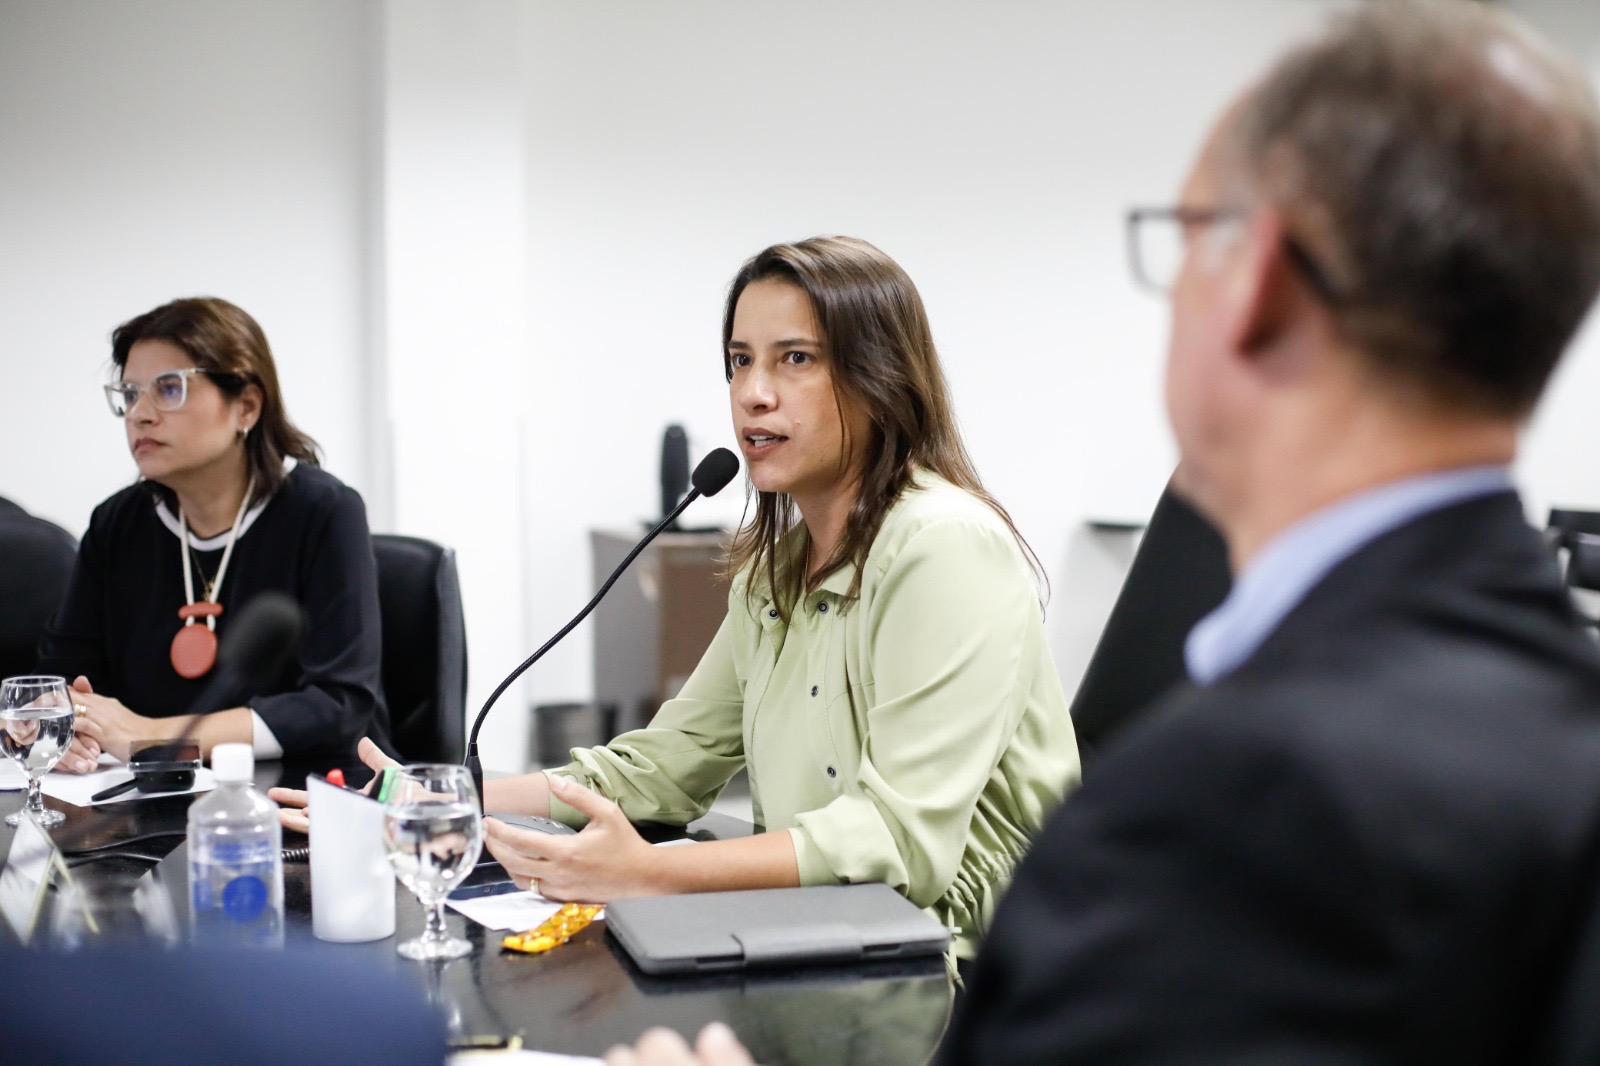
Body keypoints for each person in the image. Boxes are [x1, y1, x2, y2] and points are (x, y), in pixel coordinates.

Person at [611, 1, 1600, 1063]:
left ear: (1256, 286)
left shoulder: (1221, 812)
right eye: (741, 362)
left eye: (1181, 242)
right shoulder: (1557, 741)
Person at [279, 236, 1080, 965]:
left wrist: (650, 873)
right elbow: (664, 767)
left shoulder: (944, 546)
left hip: (971, 966)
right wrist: (440, 801)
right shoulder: (777, 570)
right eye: (739, 360)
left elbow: (899, 841)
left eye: (795, 359)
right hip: (835, 931)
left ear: (881, 378)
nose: (753, 394)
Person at [40, 297, 391, 769]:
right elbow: (62, 679)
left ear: (246, 406)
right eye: (130, 393)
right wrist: (66, 726)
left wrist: (150, 736)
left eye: (169, 389)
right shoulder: (116, 523)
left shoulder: (324, 512)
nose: (139, 414)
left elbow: (337, 704)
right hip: (148, 791)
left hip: (305, 790)